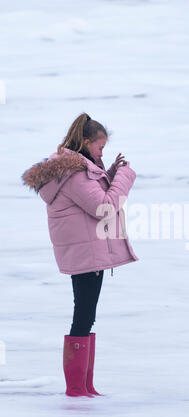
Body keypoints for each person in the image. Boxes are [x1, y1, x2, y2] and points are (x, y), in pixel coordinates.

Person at [21, 112, 139, 397]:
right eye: (100, 148)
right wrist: (123, 177)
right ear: (86, 142)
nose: (102, 152)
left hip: (84, 250)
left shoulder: (73, 170)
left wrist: (107, 173)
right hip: (86, 253)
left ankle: (84, 386)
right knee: (84, 315)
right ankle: (76, 388)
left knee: (86, 314)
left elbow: (91, 196)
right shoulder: (73, 174)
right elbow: (104, 208)